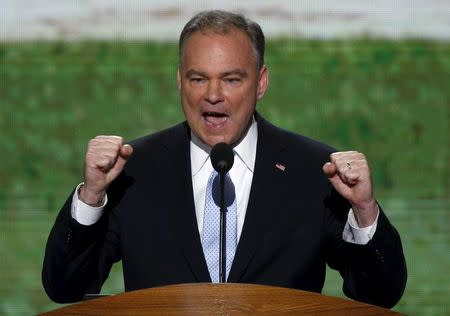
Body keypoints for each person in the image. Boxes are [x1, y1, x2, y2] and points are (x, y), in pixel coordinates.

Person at [42, 10, 407, 308]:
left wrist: (364, 211)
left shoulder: (313, 171)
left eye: (231, 79)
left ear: (260, 83)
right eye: (198, 79)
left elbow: (379, 295)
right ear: (179, 82)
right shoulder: (135, 169)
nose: (213, 95)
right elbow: (65, 288)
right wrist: (90, 197)